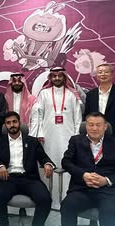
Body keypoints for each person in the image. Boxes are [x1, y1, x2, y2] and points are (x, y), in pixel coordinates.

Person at [0, 111, 54, 226]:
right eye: (8, 123)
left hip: (29, 178)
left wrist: (47, 164)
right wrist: (0, 166)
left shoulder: (32, 141)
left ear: (19, 123)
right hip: (7, 179)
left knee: (45, 199)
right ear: (5, 125)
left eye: (14, 122)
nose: (12, 125)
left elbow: (43, 157)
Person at [30, 67, 82, 206]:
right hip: (48, 137)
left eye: (60, 76)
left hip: (68, 137)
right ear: (50, 78)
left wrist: (76, 137)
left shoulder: (72, 94)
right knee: (48, 164)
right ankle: (48, 199)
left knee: (68, 164)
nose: (57, 78)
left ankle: (66, 199)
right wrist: (38, 134)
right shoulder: (44, 94)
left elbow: (78, 118)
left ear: (64, 77)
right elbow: (37, 115)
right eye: (54, 76)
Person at [84, 64, 115, 146]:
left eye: (106, 72)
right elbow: (87, 116)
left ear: (112, 74)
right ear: (97, 75)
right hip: (95, 138)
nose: (103, 74)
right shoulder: (91, 94)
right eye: (100, 72)